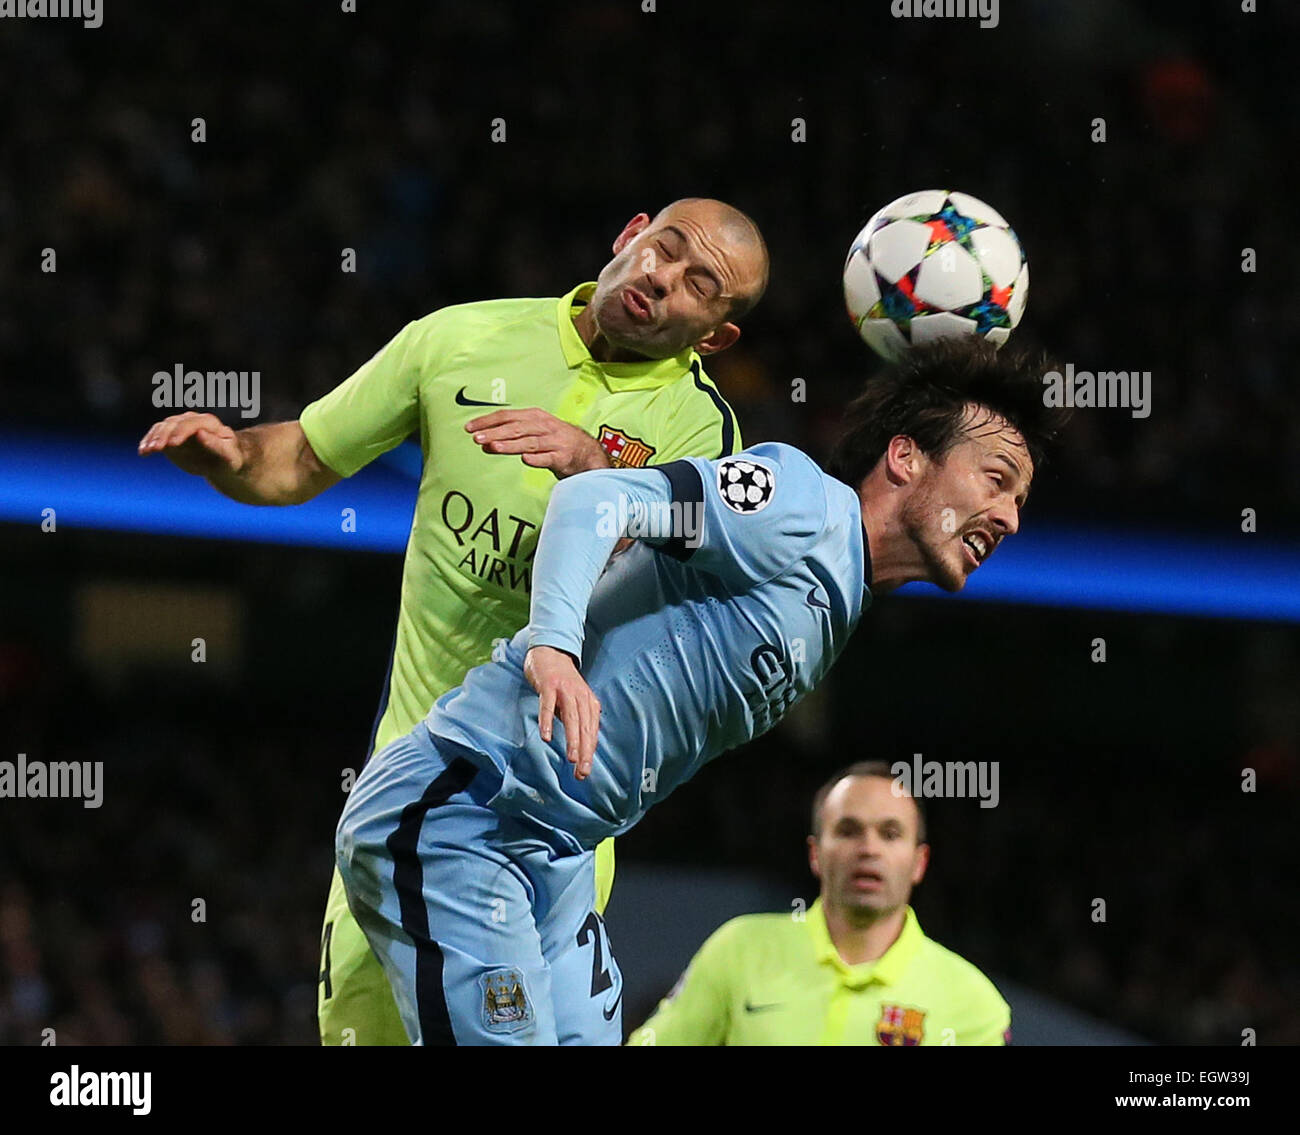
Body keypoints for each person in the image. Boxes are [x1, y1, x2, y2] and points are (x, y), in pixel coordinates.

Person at [136, 198, 770, 1045]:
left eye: (701, 284)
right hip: (399, 799)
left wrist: (598, 471)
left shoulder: (705, 435)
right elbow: (297, 461)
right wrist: (231, 456)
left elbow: (691, 605)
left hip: (549, 826)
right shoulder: (459, 339)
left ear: (715, 337)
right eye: (665, 248)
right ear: (629, 234)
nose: (662, 277)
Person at [335, 338, 1066, 1044]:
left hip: (555, 855)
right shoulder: (804, 506)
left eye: (1021, 500)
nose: (1009, 516)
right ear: (905, 456)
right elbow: (596, 501)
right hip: (469, 810)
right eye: (996, 479)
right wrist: (553, 646)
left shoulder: (840, 596)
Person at [628, 761, 1011, 1045]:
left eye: (890, 834)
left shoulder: (973, 1003)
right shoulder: (740, 950)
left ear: (919, 861)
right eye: (848, 830)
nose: (868, 849)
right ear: (815, 853)